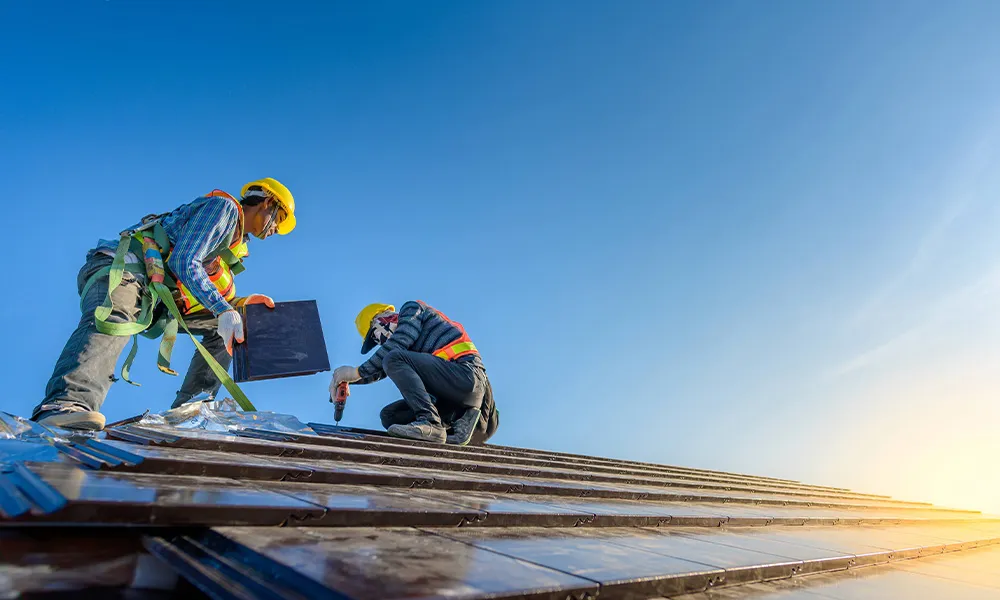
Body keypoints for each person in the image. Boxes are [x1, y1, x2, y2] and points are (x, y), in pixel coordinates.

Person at [32, 178, 297, 430]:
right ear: (266, 202)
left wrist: (239, 305)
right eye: (280, 219)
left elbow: (203, 290)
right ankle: (64, 405)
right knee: (116, 317)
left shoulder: (232, 246)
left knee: (233, 326)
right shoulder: (225, 209)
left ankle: (192, 412)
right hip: (124, 269)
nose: (276, 229)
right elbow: (184, 261)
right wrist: (224, 308)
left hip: (153, 293)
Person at [331, 301, 499, 445]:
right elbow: (381, 368)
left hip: (468, 379)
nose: (379, 340)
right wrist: (349, 380)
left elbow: (398, 344)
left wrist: (357, 371)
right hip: (451, 395)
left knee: (393, 358)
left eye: (375, 333)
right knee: (389, 416)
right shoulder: (405, 352)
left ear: (383, 317)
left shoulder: (412, 309)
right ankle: (449, 423)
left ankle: (431, 423)